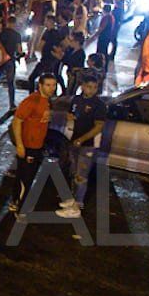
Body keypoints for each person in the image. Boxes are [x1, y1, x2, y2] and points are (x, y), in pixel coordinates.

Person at [55, 72, 107, 219]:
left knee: (81, 176)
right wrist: (70, 117)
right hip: (75, 141)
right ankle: (73, 200)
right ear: (82, 86)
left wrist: (82, 139)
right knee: (74, 172)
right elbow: (71, 114)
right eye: (89, 87)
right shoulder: (77, 100)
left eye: (95, 87)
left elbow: (98, 127)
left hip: (87, 145)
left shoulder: (99, 105)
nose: (91, 90)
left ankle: (77, 206)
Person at [10, 72, 56, 216]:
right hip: (28, 146)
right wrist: (20, 145)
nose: (52, 88)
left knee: (23, 175)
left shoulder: (47, 101)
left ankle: (16, 202)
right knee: (27, 178)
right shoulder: (31, 101)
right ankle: (21, 209)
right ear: (40, 85)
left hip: (37, 146)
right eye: (48, 85)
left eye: (54, 85)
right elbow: (17, 122)